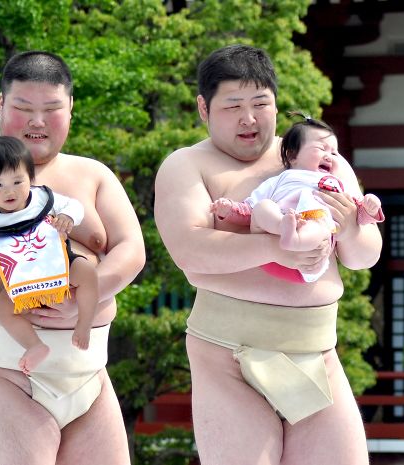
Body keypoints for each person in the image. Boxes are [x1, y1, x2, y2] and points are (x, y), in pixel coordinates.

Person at [155, 44, 381, 465]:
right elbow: (191, 250)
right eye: (233, 106)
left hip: (316, 350)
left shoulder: (315, 156)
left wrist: (351, 227)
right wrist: (277, 248)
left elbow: (364, 255)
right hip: (229, 357)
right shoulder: (187, 165)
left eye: (261, 104)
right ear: (204, 109)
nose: (249, 118)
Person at [0, 51, 144, 464]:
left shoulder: (94, 174)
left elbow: (131, 251)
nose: (37, 122)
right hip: (2, 368)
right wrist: (37, 249)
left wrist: (85, 298)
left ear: (70, 109)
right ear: (0, 105)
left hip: (89, 368)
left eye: (51, 109)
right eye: (23, 108)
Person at [0, 135, 99, 374]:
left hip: (60, 264)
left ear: (30, 177)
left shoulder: (42, 198)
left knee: (88, 272)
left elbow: (74, 206)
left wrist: (68, 217)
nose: (10, 191)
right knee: (2, 309)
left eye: (18, 181)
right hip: (21, 277)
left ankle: (84, 324)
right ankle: (34, 345)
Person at [211, 113, 384, 283]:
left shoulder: (335, 184)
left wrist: (370, 207)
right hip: (272, 247)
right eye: (321, 149)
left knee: (320, 226)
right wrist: (230, 209)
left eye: (334, 152)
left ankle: (298, 239)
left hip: (309, 260)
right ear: (292, 156)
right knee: (263, 206)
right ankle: (285, 227)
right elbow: (249, 209)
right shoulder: (280, 180)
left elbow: (356, 214)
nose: (329, 156)